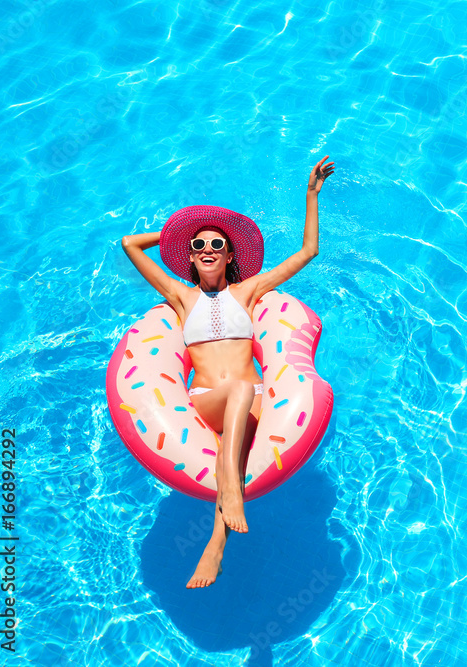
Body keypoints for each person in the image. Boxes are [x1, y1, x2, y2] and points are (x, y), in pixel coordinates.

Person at [121, 157, 335, 588]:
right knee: (237, 390)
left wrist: (311, 195)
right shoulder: (179, 296)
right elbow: (129, 244)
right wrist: (179, 235)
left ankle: (215, 545)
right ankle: (230, 501)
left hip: (252, 399)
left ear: (231, 253)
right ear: (190, 257)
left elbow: (308, 252)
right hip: (206, 402)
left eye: (217, 245)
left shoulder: (249, 290)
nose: (207, 251)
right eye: (198, 247)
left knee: (236, 425)